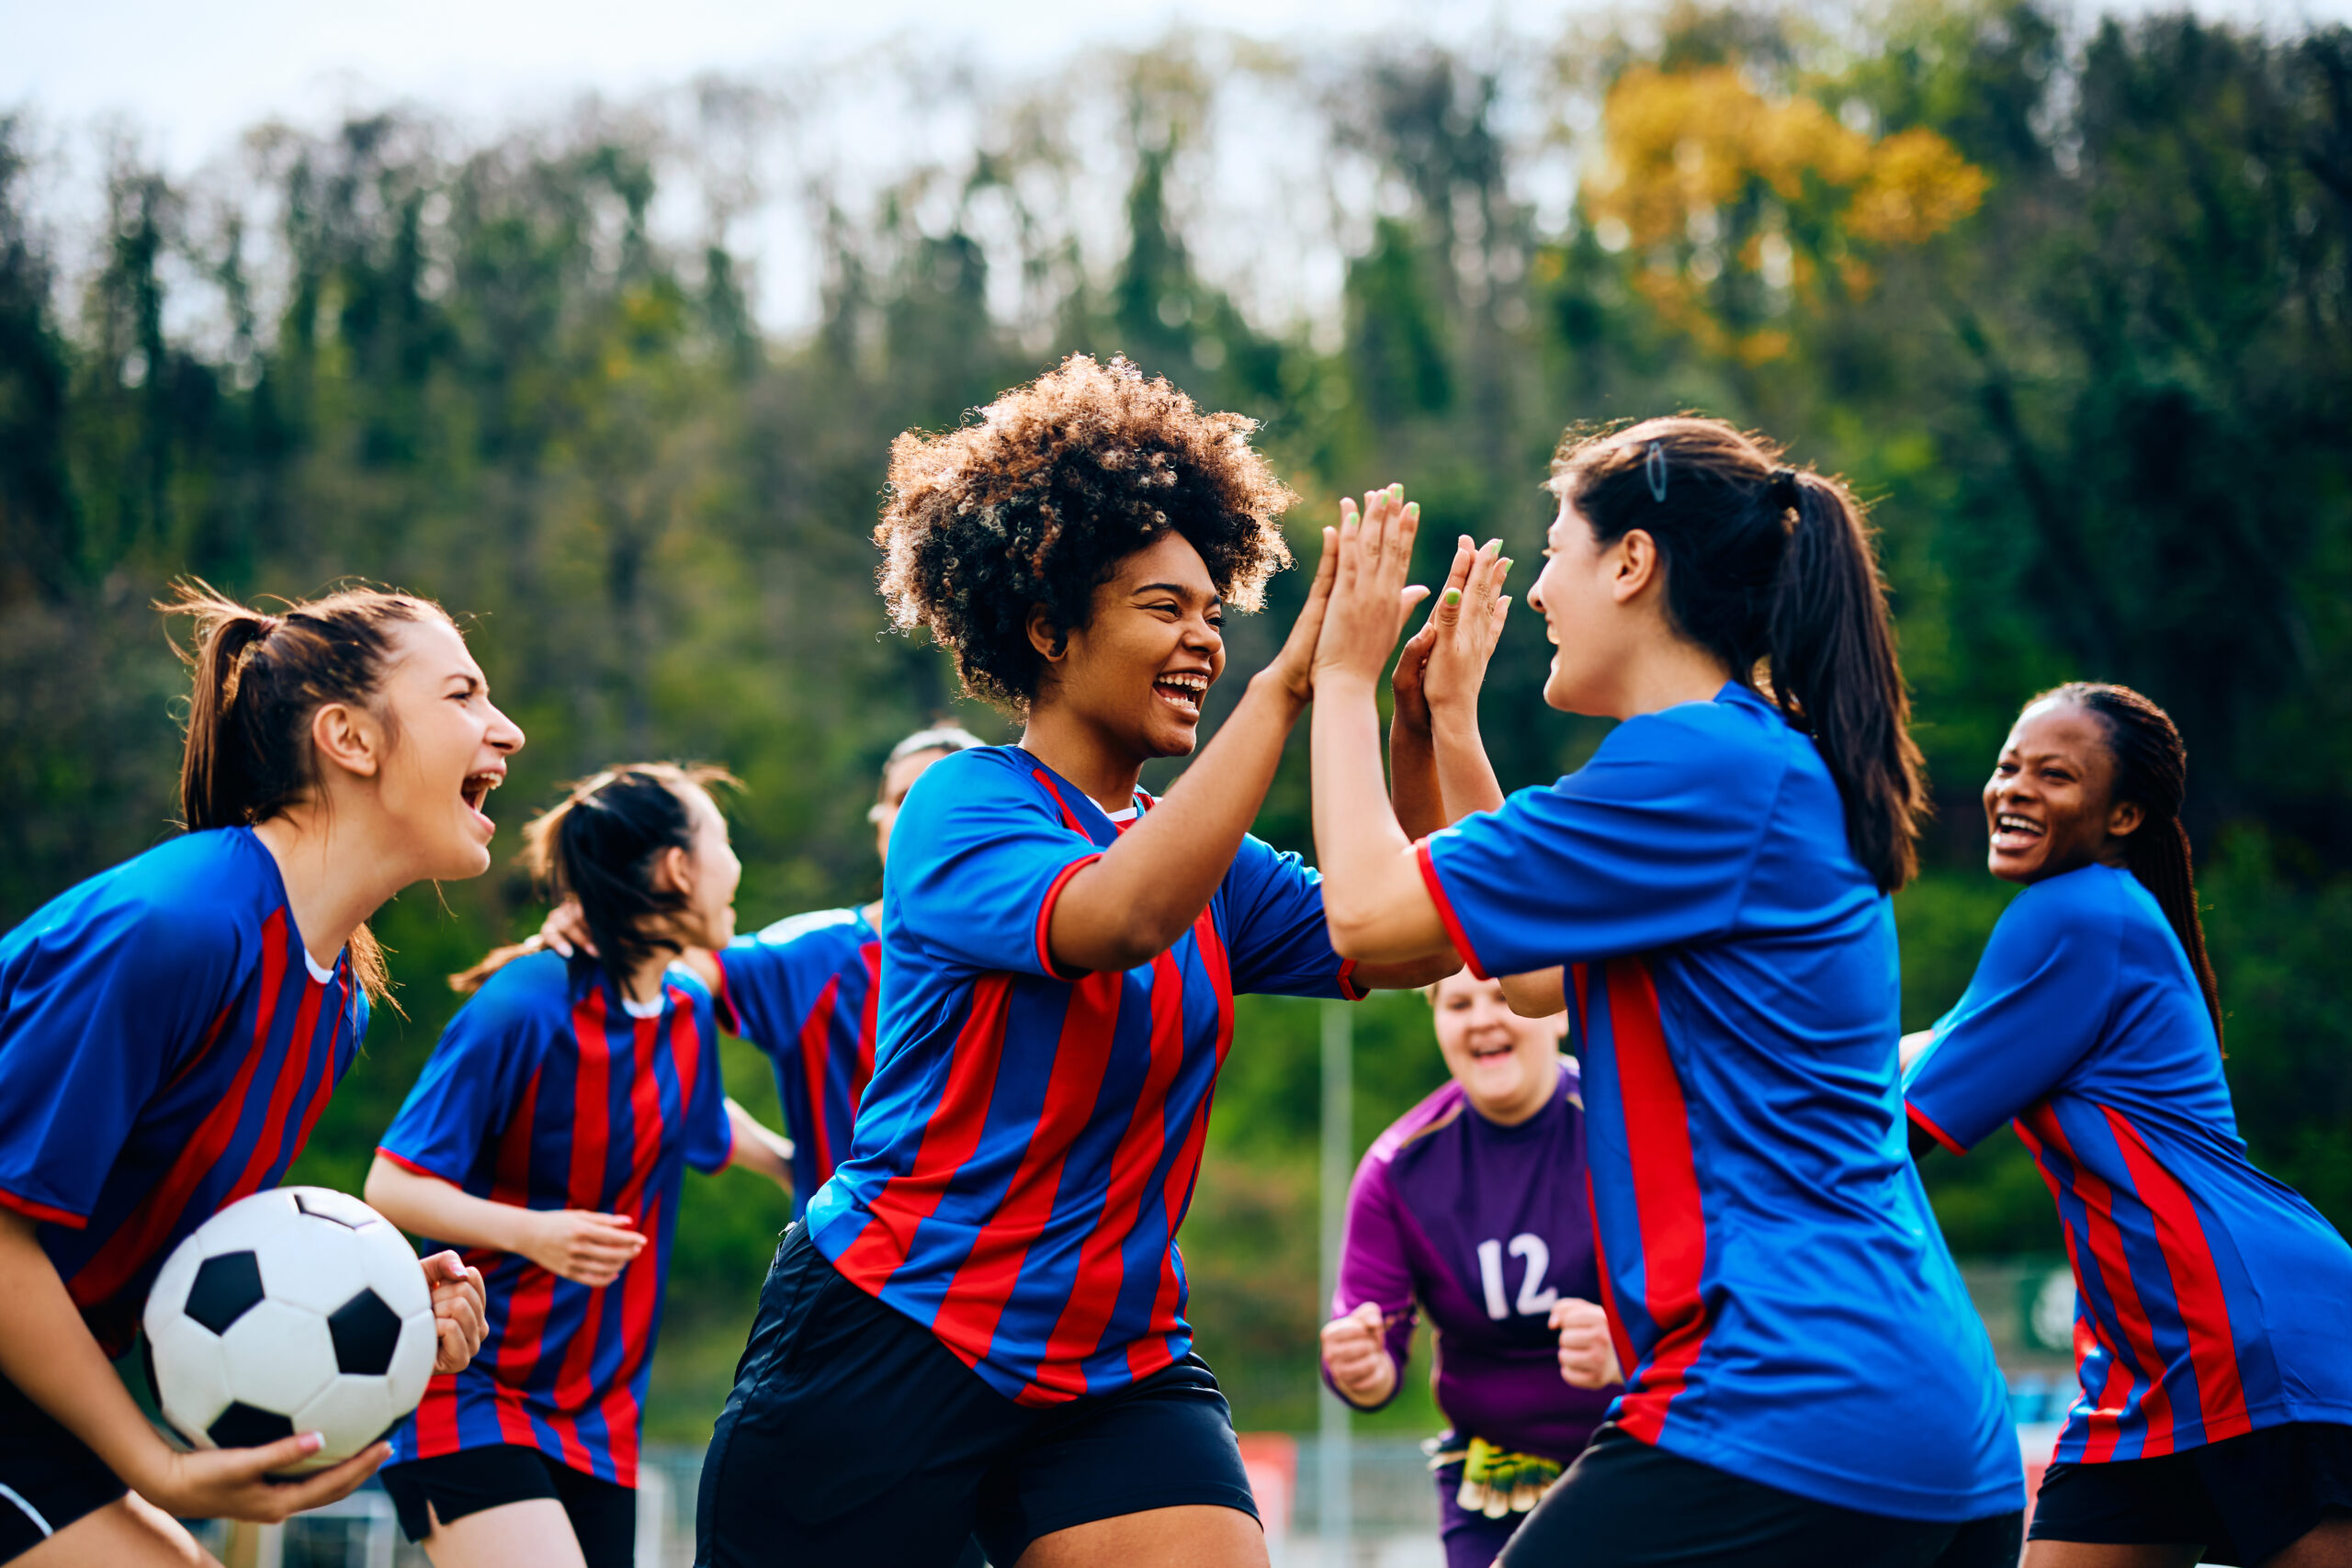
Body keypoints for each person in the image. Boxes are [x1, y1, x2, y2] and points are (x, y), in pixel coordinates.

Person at [695, 355, 1458, 1568]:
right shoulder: (963, 804)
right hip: (895, 1334)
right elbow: (1118, 919)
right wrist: (1290, 688)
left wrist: (1415, 723)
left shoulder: (1205, 853)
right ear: (1048, 626)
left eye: (1216, 609)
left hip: (1115, 1358)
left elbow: (1407, 928)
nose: (1204, 637)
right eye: (1165, 606)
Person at [1306, 420, 2025, 1566]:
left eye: (1556, 552)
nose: (1538, 590)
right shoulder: (1731, 765)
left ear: (1633, 564)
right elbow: (1532, 978)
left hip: (1790, 1398)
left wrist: (1336, 676)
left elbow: (1366, 915)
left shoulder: (1697, 766)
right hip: (1894, 1422)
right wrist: (1445, 723)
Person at [0, 582, 504, 1568]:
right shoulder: (173, 929)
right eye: (463, 696)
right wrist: (154, 1462)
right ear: (349, 739)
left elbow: (174, 1267)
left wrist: (380, 1298)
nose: (507, 730)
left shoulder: (333, 998)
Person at [1902, 684, 2352, 1568]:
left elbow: (1893, 1124)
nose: (2015, 788)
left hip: (2252, 1340)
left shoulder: (2078, 911)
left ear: (2123, 815)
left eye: (2056, 775)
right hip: (2140, 1370)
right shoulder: (2083, 924)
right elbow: (1921, 1054)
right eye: (2007, 766)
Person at [364, 765, 795, 1568]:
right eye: (722, 843)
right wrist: (535, 1234)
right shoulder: (523, 1002)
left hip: (601, 1422)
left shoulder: (684, 1009)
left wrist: (795, 1166)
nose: (735, 866)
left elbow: (703, 1124)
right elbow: (392, 1182)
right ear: (677, 870)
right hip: (469, 1394)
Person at [1318, 969, 1616, 1568]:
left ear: (1560, 1011)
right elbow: (1372, 1347)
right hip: (1496, 1478)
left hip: (1643, 1450)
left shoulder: (1628, 1126)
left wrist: (1628, 1343)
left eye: (1503, 996)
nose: (1482, 1018)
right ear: (1436, 1020)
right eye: (1458, 1003)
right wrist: (1362, 1368)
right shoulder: (1396, 1167)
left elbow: (1714, 1302)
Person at [709, 725, 987, 1213]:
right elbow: (658, 972)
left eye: (948, 798)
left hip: (1007, 1269)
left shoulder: (1050, 952)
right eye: (904, 799)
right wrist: (785, 1164)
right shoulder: (816, 957)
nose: (922, 816)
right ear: (878, 821)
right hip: (847, 1267)